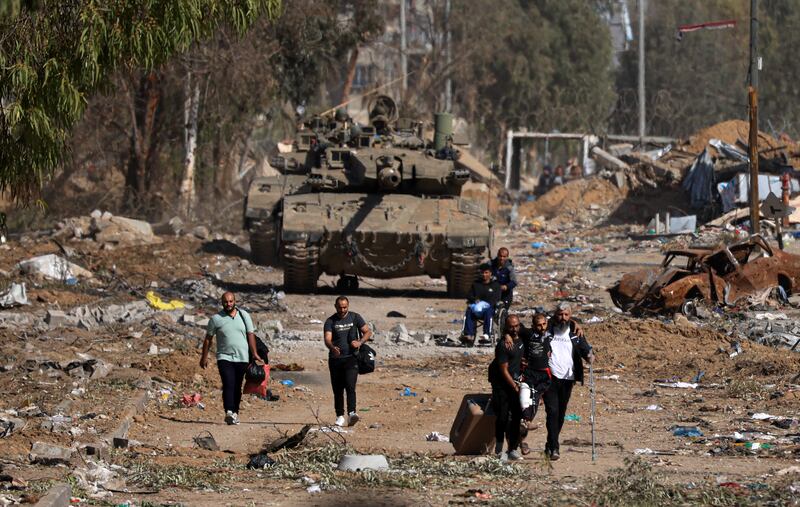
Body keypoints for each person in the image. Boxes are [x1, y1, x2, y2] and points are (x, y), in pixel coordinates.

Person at [200, 292, 262, 425]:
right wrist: (204, 357)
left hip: (242, 357)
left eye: (231, 301)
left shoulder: (244, 315)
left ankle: (235, 413)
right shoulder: (216, 319)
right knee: (228, 383)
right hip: (224, 357)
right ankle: (228, 411)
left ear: (235, 301)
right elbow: (208, 339)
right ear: (221, 302)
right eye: (225, 302)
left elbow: (250, 335)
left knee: (237, 386)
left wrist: (255, 353)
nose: (228, 304)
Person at [542, 302, 594, 460]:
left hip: (568, 378)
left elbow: (586, 349)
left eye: (566, 315)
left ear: (570, 316)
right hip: (549, 377)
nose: (562, 318)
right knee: (552, 411)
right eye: (560, 314)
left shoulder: (574, 332)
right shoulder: (547, 329)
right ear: (555, 314)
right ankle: (555, 448)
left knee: (560, 413)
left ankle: (550, 444)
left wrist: (590, 356)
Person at [324, 296, 372, 427]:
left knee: (350, 387)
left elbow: (367, 331)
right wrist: (332, 347)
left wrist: (360, 342)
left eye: (345, 307)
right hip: (335, 360)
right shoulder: (330, 321)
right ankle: (339, 416)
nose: (342, 309)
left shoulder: (355, 317)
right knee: (338, 389)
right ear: (335, 306)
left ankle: (352, 413)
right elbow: (327, 339)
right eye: (340, 307)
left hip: (351, 358)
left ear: (348, 306)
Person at [487, 315, 525, 460]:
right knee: (502, 417)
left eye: (516, 326)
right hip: (502, 384)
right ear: (506, 328)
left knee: (516, 417)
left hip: (515, 382)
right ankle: (499, 448)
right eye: (511, 327)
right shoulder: (503, 345)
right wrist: (515, 387)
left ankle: (513, 448)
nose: (514, 329)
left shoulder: (521, 339)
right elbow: (503, 370)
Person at [520, 313, 552, 421]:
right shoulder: (528, 333)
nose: (542, 327)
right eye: (539, 325)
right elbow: (512, 328)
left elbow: (565, 322)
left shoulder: (549, 332)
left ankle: (527, 419)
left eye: (544, 324)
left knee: (537, 395)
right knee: (527, 393)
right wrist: (506, 336)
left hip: (545, 372)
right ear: (533, 326)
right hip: (530, 371)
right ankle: (526, 418)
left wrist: (577, 325)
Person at [460, 263, 501, 346]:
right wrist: (475, 300)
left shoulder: (495, 285)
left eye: (486, 272)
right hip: (476, 308)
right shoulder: (476, 284)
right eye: (482, 272)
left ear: (490, 273)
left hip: (489, 309)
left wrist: (486, 304)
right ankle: (469, 335)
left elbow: (496, 298)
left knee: (488, 310)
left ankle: (487, 335)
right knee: (469, 310)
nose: (484, 275)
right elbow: (469, 295)